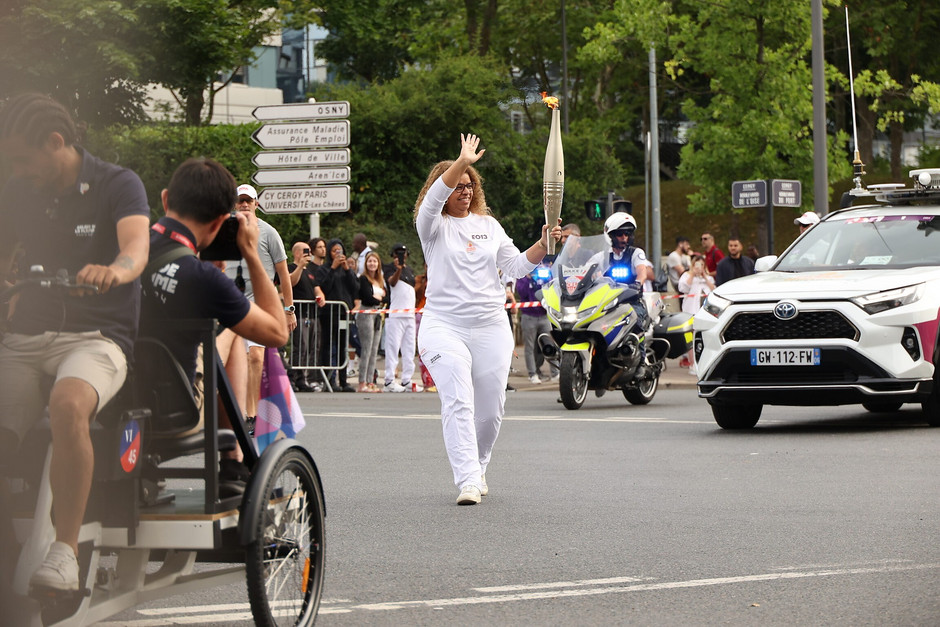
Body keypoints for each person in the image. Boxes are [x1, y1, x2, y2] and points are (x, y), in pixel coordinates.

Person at [0, 93, 151, 592]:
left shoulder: (117, 183)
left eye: (22, 158)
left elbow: (136, 251)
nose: (16, 169)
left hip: (97, 335)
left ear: (55, 142)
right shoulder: (18, 189)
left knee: (68, 403)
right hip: (28, 335)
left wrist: (112, 271)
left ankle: (64, 554)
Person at [414, 133, 561, 505]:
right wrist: (461, 161)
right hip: (443, 326)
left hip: (490, 325)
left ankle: (478, 466)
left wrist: (543, 244)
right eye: (458, 185)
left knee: (491, 409)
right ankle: (466, 479)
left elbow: (514, 266)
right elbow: (432, 202)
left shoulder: (489, 227)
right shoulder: (431, 226)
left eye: (470, 184)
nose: (465, 189)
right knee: (458, 399)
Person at [140, 157, 289, 493]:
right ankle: (233, 461)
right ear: (223, 221)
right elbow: (277, 332)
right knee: (235, 329)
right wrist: (250, 253)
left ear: (165, 200)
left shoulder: (129, 250)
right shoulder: (203, 277)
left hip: (122, 399)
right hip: (176, 407)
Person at [222, 184, 295, 420]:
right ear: (234, 204)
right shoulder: (225, 230)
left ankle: (251, 414)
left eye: (248, 200)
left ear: (256, 204)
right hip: (230, 302)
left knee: (255, 356)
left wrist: (289, 309)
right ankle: (236, 410)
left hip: (258, 303)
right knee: (232, 360)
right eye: (240, 200)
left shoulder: (269, 232)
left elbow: (283, 274)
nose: (244, 204)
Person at [287, 242, 326, 392]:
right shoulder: (291, 267)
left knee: (310, 347)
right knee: (299, 347)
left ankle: (302, 378)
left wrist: (320, 297)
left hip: (311, 314)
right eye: (305, 251)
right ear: (297, 253)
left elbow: (317, 289)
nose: (308, 254)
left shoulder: (309, 272)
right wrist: (299, 266)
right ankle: (292, 377)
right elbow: (291, 282)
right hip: (299, 314)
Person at [320, 238, 358, 392]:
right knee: (329, 347)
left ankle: (343, 381)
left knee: (343, 347)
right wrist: (333, 268)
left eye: (340, 250)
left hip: (343, 313)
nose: (337, 253)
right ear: (330, 252)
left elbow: (355, 288)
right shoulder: (325, 269)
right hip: (329, 313)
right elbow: (324, 287)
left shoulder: (345, 269)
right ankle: (330, 380)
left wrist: (347, 270)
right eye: (334, 250)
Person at [515, 262, 558, 384]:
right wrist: (529, 279)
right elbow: (522, 292)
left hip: (543, 316)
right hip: (529, 316)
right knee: (529, 347)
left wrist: (545, 277)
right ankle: (532, 373)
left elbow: (550, 289)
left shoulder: (542, 276)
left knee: (550, 343)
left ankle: (555, 372)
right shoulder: (523, 278)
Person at [383, 243, 417, 392]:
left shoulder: (409, 270)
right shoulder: (390, 268)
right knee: (393, 348)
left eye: (403, 253)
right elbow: (392, 282)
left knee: (409, 349)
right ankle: (389, 380)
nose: (401, 256)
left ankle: (407, 380)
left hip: (409, 314)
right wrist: (398, 269)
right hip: (396, 314)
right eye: (398, 253)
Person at [353, 251, 387, 392]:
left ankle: (370, 381)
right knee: (366, 349)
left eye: (374, 261)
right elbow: (367, 297)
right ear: (365, 264)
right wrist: (379, 297)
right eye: (369, 261)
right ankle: (362, 382)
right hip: (366, 313)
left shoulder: (380, 280)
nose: (372, 264)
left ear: (378, 263)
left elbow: (387, 298)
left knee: (374, 350)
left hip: (378, 314)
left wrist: (378, 297)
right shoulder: (363, 279)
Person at [677, 254, 714, 375]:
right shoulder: (687, 276)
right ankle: (692, 363)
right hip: (690, 311)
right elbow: (683, 288)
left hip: (704, 312)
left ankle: (703, 364)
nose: (700, 267)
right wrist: (693, 274)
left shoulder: (707, 278)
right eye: (697, 264)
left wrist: (705, 276)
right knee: (690, 337)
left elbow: (713, 290)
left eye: (702, 265)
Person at [665, 236, 691, 313]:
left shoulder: (684, 257)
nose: (688, 247)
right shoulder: (674, 256)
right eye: (686, 244)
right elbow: (682, 272)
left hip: (686, 281)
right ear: (680, 244)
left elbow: (691, 268)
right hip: (678, 283)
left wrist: (691, 257)